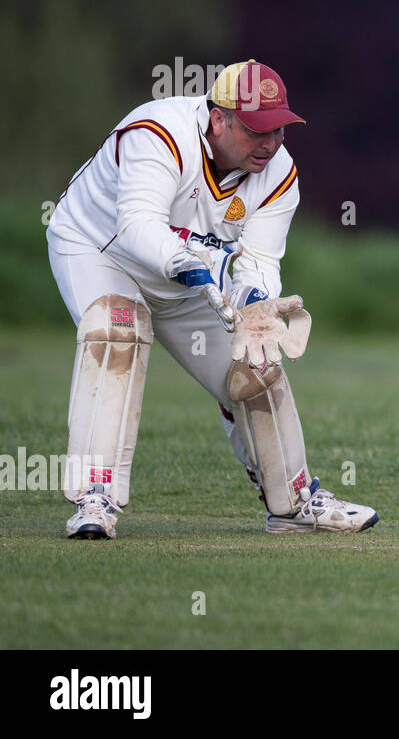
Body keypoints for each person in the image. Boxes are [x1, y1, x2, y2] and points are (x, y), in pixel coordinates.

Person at [47, 59, 378, 539]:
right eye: (255, 130)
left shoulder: (279, 173)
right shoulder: (156, 132)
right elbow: (137, 225)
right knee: (118, 330)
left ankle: (292, 501)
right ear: (218, 118)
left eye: (278, 129)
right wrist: (191, 262)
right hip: (102, 251)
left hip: (190, 282)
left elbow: (259, 261)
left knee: (257, 365)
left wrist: (255, 301)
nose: (269, 143)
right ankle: (94, 498)